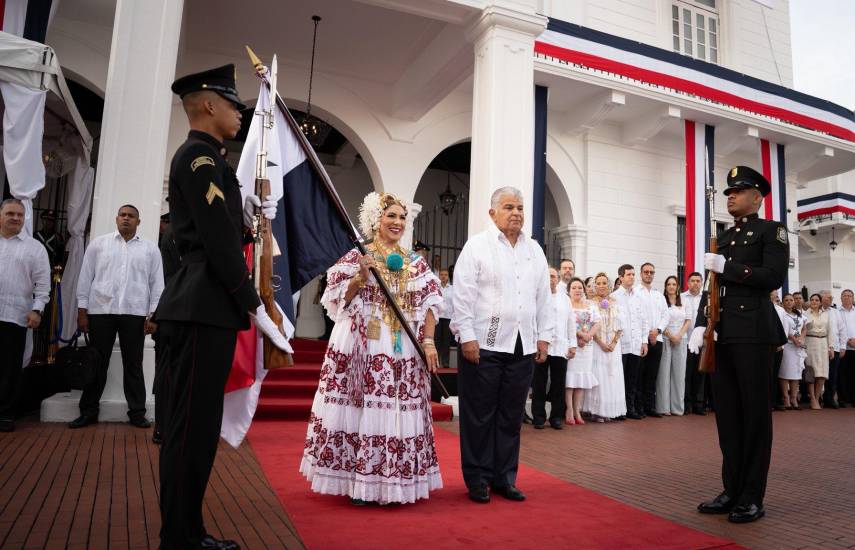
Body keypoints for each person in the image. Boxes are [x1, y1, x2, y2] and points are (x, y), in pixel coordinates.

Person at [157, 64, 291, 550]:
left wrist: (246, 219)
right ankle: (180, 538)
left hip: (203, 306)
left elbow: (219, 233)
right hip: (201, 308)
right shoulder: (201, 160)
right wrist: (255, 306)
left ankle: (188, 531)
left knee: (194, 430)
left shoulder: (209, 160)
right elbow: (217, 246)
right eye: (233, 104)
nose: (239, 112)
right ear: (208, 104)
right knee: (189, 431)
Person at [301, 192, 442, 505]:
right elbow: (337, 301)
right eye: (391, 215)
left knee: (395, 411)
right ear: (376, 219)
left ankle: (395, 483)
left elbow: (432, 303)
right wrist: (359, 279)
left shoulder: (415, 263)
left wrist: (429, 340)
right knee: (362, 411)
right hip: (362, 345)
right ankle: (360, 483)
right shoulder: (356, 256)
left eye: (402, 217)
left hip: (403, 348)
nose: (397, 222)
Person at [690, 165, 788, 523]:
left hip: (754, 333)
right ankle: (731, 489)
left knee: (754, 416)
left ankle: (751, 496)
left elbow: (773, 277)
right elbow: (713, 289)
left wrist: (728, 267)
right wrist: (702, 324)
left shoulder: (771, 231)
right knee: (728, 417)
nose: (730, 195)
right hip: (724, 334)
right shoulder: (726, 237)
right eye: (729, 191)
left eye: (739, 190)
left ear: (756, 197)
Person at [451, 186, 553, 504]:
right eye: (509, 207)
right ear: (493, 212)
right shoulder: (477, 247)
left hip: (522, 344)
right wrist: (466, 335)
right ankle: (478, 479)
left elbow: (542, 297)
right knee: (479, 415)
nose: (517, 213)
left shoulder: (534, 249)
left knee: (510, 416)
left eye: (520, 207)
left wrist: (544, 336)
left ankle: (504, 477)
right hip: (484, 343)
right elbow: (462, 294)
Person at [70, 204, 164, 429]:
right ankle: (88, 411)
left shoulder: (150, 250)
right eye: (122, 215)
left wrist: (153, 316)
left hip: (134, 313)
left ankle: (137, 412)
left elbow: (157, 285)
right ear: (116, 218)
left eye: (131, 216)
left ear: (138, 222)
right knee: (96, 363)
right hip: (101, 312)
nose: (126, 219)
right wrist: (82, 310)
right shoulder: (98, 245)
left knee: (133, 364)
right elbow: (85, 278)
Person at [0, 199, 50, 432]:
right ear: (1, 215)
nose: (15, 218)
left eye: (20, 215)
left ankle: (5, 414)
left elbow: (42, 285)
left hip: (15, 316)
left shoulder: (35, 248)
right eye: (10, 213)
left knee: (10, 368)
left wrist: (37, 309)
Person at [532, 268, 576, 429]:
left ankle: (556, 417)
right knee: (539, 383)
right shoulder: (537, 296)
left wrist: (572, 344)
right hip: (540, 346)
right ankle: (538, 416)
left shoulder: (565, 299)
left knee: (558, 383)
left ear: (558, 279)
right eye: (548, 276)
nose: (550, 279)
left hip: (560, 347)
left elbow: (571, 322)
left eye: (553, 276)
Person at [587, 272, 626, 421]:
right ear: (595, 286)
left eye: (604, 283)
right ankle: (597, 411)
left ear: (609, 286)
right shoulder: (590, 303)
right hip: (598, 345)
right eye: (599, 283)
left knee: (612, 376)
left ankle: (610, 410)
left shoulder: (615, 303)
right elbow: (589, 325)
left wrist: (614, 342)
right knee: (599, 375)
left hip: (613, 346)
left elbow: (620, 325)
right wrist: (601, 343)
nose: (601, 286)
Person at [611, 264, 648, 420]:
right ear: (621, 277)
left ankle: (630, 408)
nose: (632, 277)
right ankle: (619, 409)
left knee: (633, 378)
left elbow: (644, 320)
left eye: (633, 274)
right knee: (620, 378)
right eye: (628, 274)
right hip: (621, 344)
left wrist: (644, 341)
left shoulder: (638, 297)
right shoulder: (614, 297)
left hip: (636, 343)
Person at [565, 277, 599, 425]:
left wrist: (588, 336)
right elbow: (566, 324)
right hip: (572, 345)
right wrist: (579, 336)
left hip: (587, 346)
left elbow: (598, 322)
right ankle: (569, 410)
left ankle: (577, 409)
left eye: (580, 287)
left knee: (581, 379)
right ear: (569, 291)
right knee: (571, 379)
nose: (577, 290)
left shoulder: (590, 305)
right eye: (574, 288)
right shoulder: (566, 305)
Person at [637, 262, 668, 417]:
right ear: (640, 273)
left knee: (652, 375)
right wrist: (647, 333)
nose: (649, 274)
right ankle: (639, 407)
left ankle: (650, 407)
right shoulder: (636, 292)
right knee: (640, 374)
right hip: (642, 340)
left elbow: (665, 315)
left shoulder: (658, 295)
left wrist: (658, 331)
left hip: (658, 338)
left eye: (651, 272)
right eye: (646, 272)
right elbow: (637, 316)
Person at [656, 276, 691, 415]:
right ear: (665, 287)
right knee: (663, 374)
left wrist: (679, 336)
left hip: (681, 340)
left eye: (674, 284)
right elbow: (660, 321)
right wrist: (671, 336)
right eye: (669, 284)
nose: (671, 286)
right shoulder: (661, 302)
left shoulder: (684, 301)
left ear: (677, 286)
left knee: (679, 375)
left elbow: (688, 320)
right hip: (665, 338)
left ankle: (677, 408)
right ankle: (664, 407)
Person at [682, 272, 705, 414]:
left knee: (700, 375)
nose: (695, 283)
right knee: (686, 374)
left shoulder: (705, 298)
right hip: (685, 341)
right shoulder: (681, 298)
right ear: (688, 283)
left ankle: (699, 404)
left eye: (698, 281)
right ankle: (686, 404)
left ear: (701, 283)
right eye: (692, 280)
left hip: (702, 343)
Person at [804, 293, 833, 410]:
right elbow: (803, 330)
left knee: (822, 373)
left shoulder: (826, 315)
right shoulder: (805, 314)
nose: (814, 302)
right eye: (812, 300)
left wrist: (831, 347)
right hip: (810, 343)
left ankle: (817, 397)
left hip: (823, 344)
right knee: (811, 372)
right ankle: (812, 399)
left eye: (817, 300)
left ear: (820, 302)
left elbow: (830, 331)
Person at [779, 294, 806, 409]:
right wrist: (794, 339)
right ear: (783, 302)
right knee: (785, 373)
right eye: (786, 300)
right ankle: (786, 398)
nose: (789, 302)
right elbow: (784, 330)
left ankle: (794, 398)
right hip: (787, 346)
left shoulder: (799, 315)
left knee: (796, 374)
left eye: (791, 300)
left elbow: (804, 327)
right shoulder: (782, 314)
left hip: (798, 347)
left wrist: (801, 338)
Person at [821, 291, 846, 408]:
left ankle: (829, 398)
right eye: (825, 298)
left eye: (830, 298)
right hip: (820, 347)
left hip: (834, 348)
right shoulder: (816, 311)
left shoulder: (836, 312)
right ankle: (816, 397)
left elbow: (842, 330)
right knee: (820, 374)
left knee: (832, 375)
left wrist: (842, 347)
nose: (828, 300)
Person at [838, 289, 855, 406]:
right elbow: (836, 329)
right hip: (842, 348)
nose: (847, 298)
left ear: (853, 298)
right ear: (841, 298)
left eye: (849, 296)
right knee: (842, 374)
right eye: (845, 296)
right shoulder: (836, 312)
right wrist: (846, 341)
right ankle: (843, 398)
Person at [436, 268, 454, 368]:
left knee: (446, 341)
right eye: (441, 274)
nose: (443, 276)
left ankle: (446, 363)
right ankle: (437, 362)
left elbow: (454, 304)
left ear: (448, 276)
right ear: (439, 276)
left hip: (448, 318)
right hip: (437, 317)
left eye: (445, 275)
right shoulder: (435, 288)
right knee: (436, 341)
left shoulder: (452, 288)